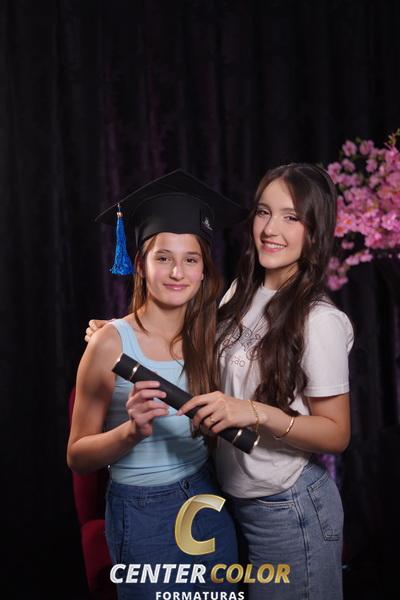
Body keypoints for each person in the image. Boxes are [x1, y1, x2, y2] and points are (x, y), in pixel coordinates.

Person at [86, 163, 353, 600]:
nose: (271, 229)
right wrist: (116, 334)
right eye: (264, 212)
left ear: (315, 230)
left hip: (290, 508)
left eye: (291, 217)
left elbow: (337, 434)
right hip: (230, 504)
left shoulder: (319, 320)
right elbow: (176, 340)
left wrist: (254, 412)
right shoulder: (240, 294)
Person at [67, 169, 247, 600]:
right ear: (140, 267)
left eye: (191, 260)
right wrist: (130, 432)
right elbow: (77, 456)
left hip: (206, 498)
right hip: (142, 512)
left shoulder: (211, 336)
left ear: (204, 271)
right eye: (163, 258)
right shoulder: (111, 343)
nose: (177, 272)